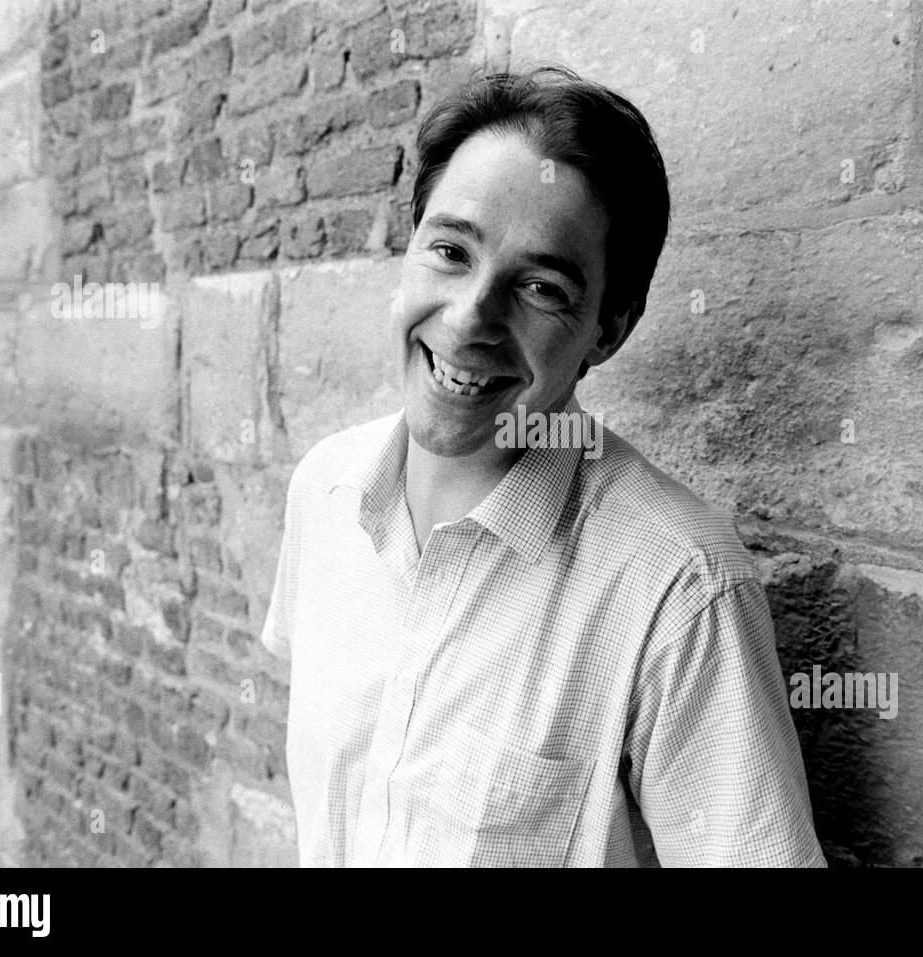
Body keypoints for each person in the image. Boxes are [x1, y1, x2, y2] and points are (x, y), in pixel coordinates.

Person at [261, 65, 825, 867]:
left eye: (540, 287)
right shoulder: (322, 490)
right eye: (451, 251)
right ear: (409, 250)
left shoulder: (678, 590)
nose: (468, 320)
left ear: (609, 330)